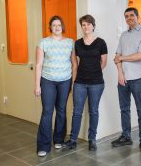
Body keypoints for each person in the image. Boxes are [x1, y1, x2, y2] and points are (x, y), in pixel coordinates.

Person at [34, 15, 77, 157]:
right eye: (54, 25)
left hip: (65, 80)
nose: (57, 27)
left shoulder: (70, 42)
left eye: (59, 25)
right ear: (50, 27)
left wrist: (73, 82)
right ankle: (43, 145)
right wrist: (37, 85)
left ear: (62, 27)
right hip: (47, 80)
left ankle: (58, 139)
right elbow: (39, 64)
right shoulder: (43, 42)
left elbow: (74, 63)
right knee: (47, 111)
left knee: (61, 110)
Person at [112, 7, 141, 154]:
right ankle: (126, 136)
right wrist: (120, 74)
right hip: (123, 79)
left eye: (131, 15)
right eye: (126, 16)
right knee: (124, 109)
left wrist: (122, 58)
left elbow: (140, 56)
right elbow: (116, 56)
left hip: (138, 79)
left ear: (137, 17)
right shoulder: (123, 35)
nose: (129, 18)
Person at [65, 14, 107, 151]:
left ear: (93, 26)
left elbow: (104, 63)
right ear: (81, 27)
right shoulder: (77, 43)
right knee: (77, 112)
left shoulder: (101, 42)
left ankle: (92, 140)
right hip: (80, 83)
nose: (86, 26)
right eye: (83, 24)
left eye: (88, 24)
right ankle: (73, 140)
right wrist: (73, 82)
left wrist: (93, 72)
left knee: (93, 111)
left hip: (96, 83)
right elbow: (75, 65)